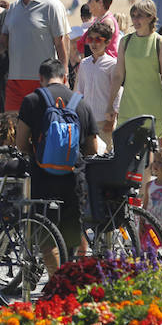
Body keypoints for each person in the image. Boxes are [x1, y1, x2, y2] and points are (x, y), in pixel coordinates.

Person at [16, 59, 99, 262]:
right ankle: (71, 283)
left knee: (46, 237)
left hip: (42, 177)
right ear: (65, 78)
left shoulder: (32, 100)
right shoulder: (81, 103)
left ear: (41, 79)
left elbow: (20, 143)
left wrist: (37, 155)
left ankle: (56, 284)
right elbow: (93, 148)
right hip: (73, 178)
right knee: (72, 235)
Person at [0, 0, 68, 112]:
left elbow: (60, 42)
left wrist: (64, 75)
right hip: (15, 80)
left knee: (41, 129)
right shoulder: (13, 8)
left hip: (43, 79)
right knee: (13, 127)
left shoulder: (50, 5)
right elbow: (3, 39)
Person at [107, 0, 162, 147]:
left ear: (151, 17)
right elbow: (118, 76)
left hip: (153, 106)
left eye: (140, 16)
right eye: (133, 15)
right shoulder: (125, 41)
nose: (135, 20)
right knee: (124, 154)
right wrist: (110, 103)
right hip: (128, 106)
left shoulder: (160, 42)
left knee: (153, 156)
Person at [74, 22, 121, 151]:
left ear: (107, 42)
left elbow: (117, 92)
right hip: (87, 121)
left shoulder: (112, 64)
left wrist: (111, 119)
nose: (94, 44)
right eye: (90, 39)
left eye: (98, 40)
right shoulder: (84, 63)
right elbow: (79, 91)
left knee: (104, 155)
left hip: (104, 122)